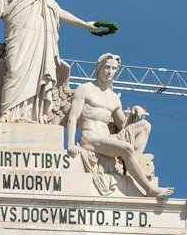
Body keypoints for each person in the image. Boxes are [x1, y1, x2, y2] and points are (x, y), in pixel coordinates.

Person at [66, 54, 173, 197]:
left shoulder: (114, 98)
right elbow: (73, 117)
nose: (110, 71)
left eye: (114, 68)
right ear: (99, 68)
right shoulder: (85, 89)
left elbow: (123, 125)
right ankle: (149, 189)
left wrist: (134, 113)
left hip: (107, 138)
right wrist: (70, 143)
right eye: (107, 67)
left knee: (145, 126)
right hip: (90, 138)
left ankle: (130, 166)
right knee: (126, 148)